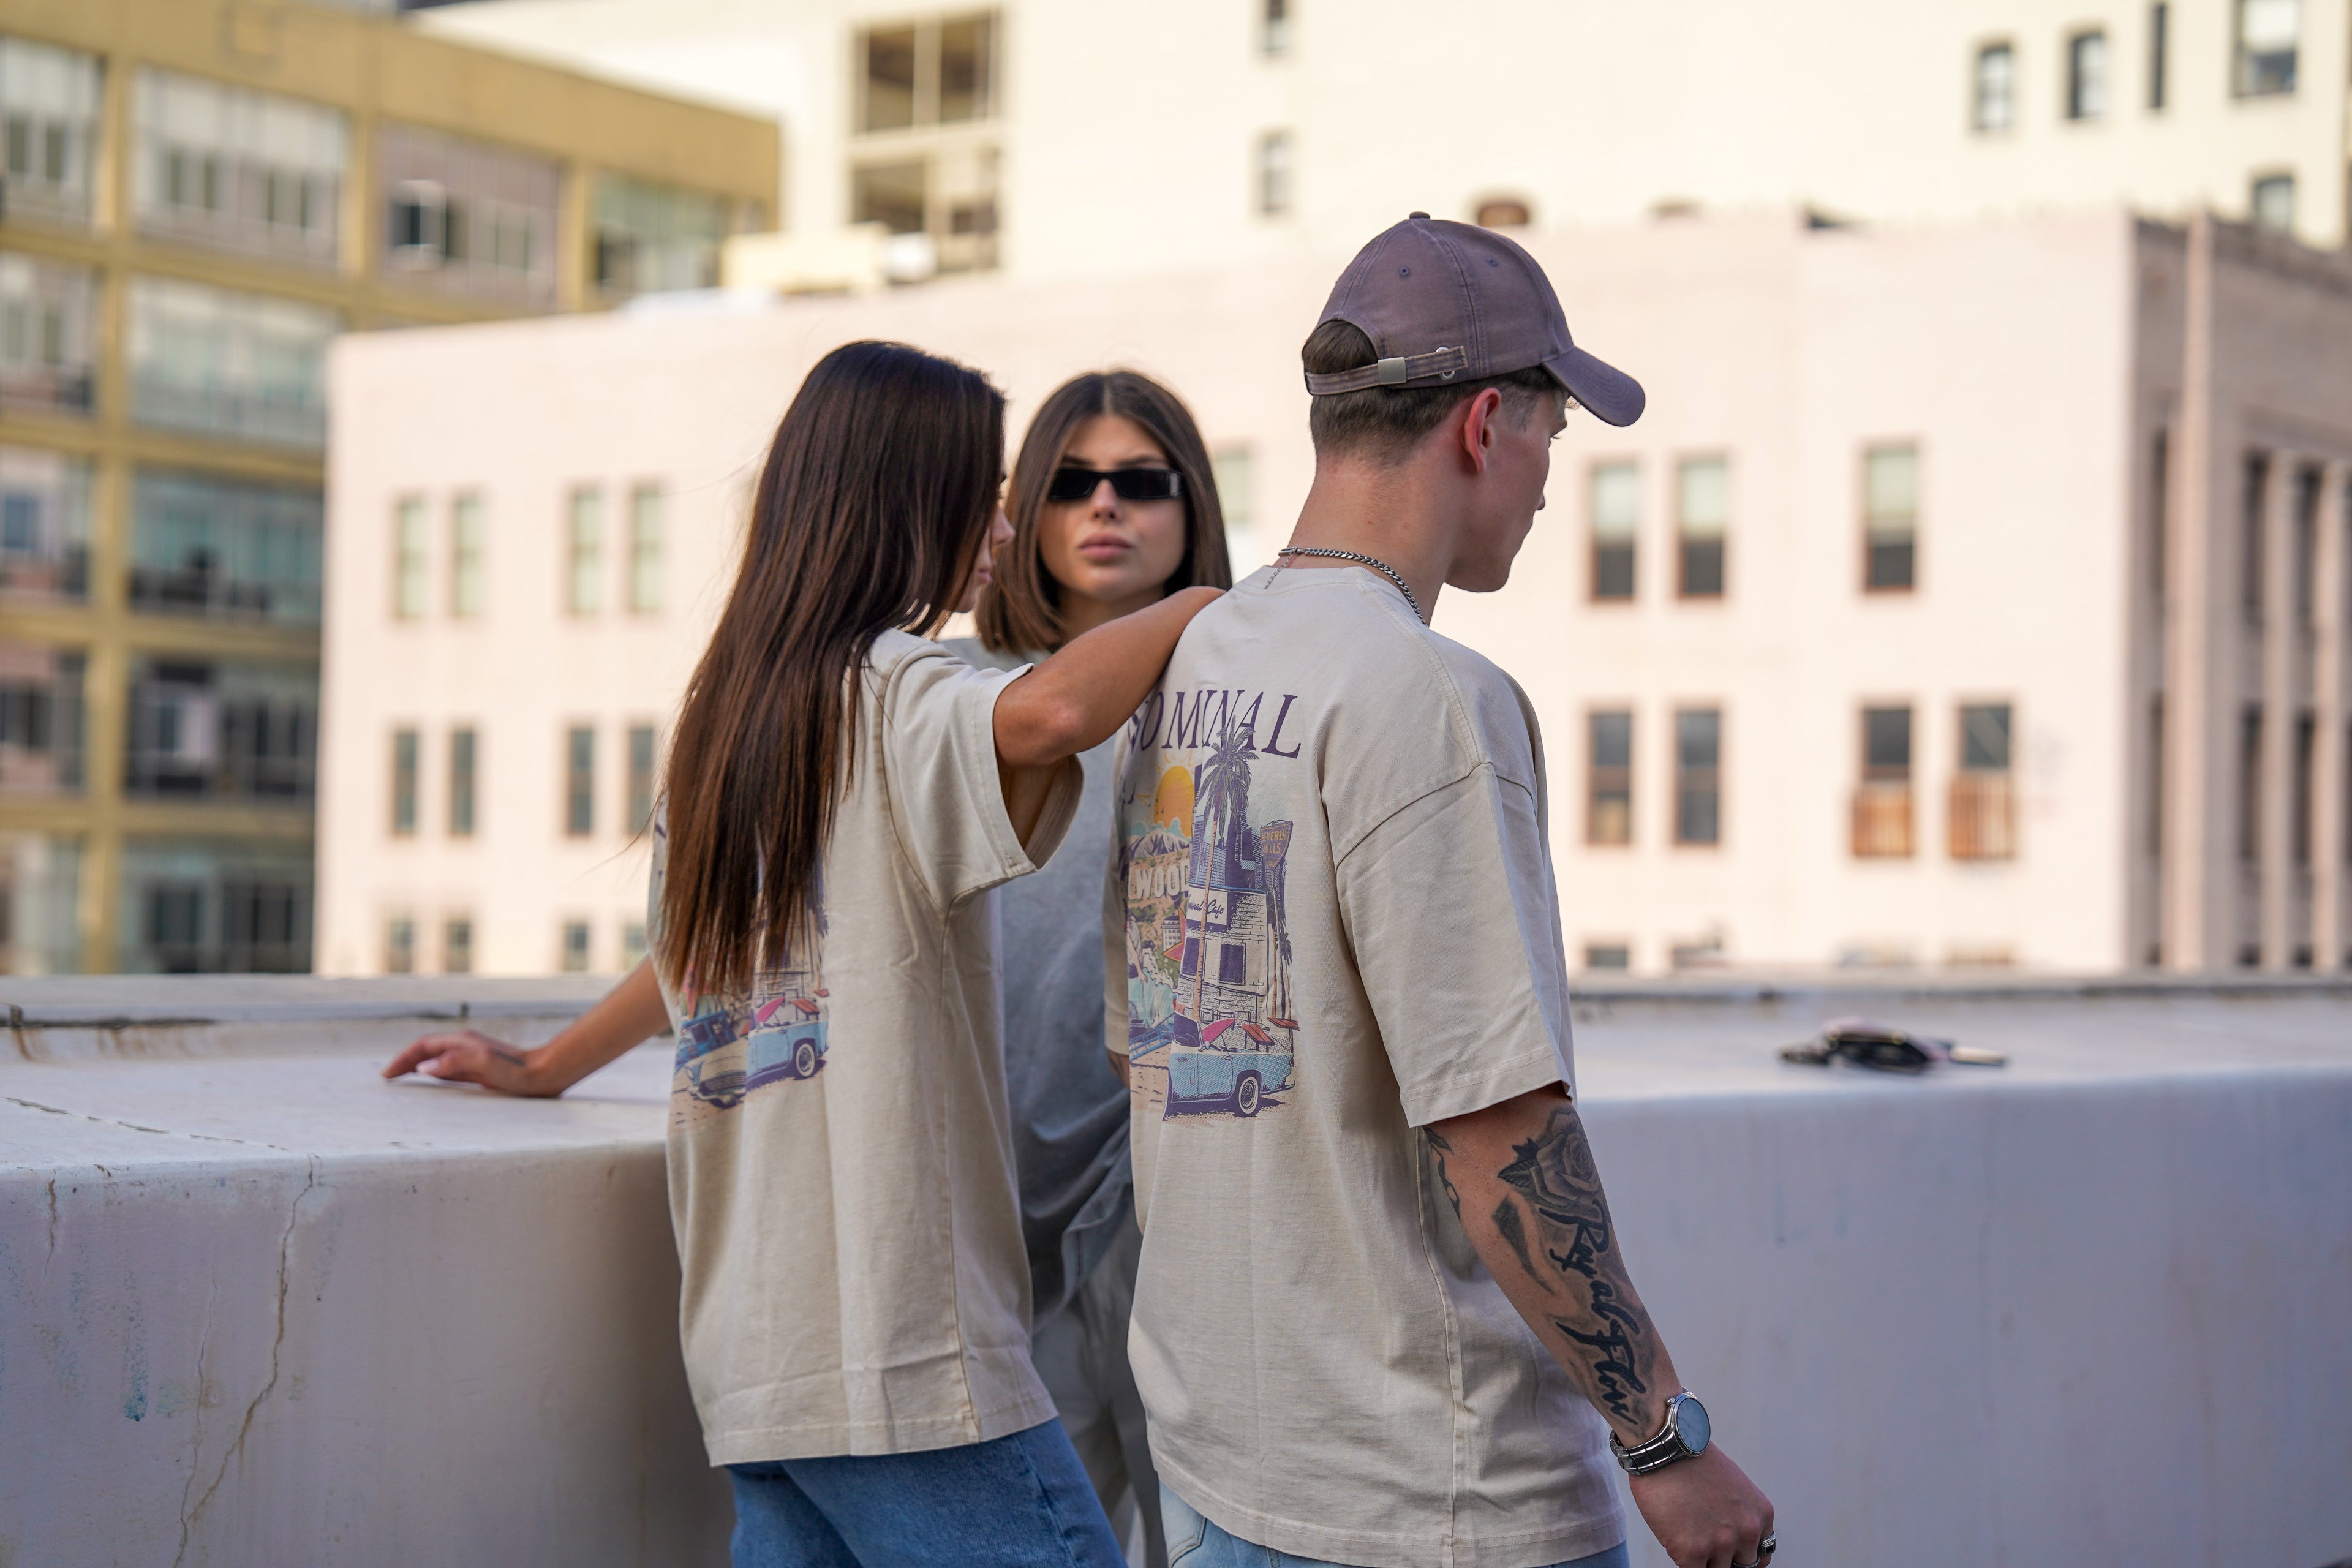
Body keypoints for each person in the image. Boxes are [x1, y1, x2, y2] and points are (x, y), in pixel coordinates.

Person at [383, 340, 1219, 1568]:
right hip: (906, 1353)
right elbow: (1047, 714)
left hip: (753, 1358)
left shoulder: (726, 717)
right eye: (983, 492)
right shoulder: (898, 688)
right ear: (905, 499)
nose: (998, 529)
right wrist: (1208, 601)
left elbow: (696, 963)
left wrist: (546, 1066)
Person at [1106, 217, 1777, 1568]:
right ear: (1485, 423)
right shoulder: (1433, 696)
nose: (1545, 483)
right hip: (1424, 1494)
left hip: (1214, 1461)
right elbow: (1499, 1127)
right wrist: (1665, 1439)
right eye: (1551, 437)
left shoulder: (1187, 661)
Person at [951, 369, 1234, 1568]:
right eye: (1071, 482)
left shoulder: (1240, 696)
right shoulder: (962, 701)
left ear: (1190, 498)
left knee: (1199, 1533)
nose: (1105, 506)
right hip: (1001, 1218)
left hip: (1182, 1191)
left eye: (1139, 480)